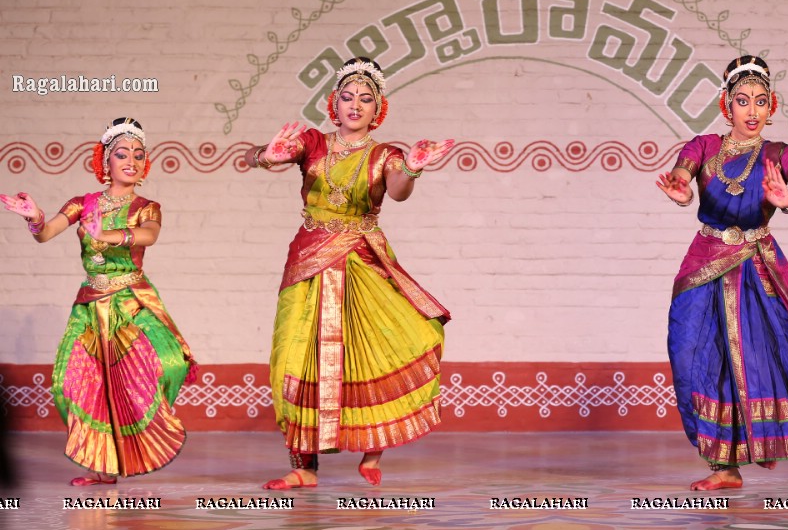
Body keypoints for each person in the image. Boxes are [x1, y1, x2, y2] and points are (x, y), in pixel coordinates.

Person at [247, 57, 454, 490]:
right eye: (347, 96)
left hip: (362, 259)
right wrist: (264, 156)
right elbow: (267, 157)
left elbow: (397, 191)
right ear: (333, 104)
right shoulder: (311, 142)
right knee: (294, 357)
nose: (355, 104)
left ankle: (372, 449)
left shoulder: (386, 155)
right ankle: (303, 467)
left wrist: (413, 168)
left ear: (378, 108)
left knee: (374, 348)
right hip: (308, 260)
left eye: (365, 98)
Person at [657, 55, 788, 491]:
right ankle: (725, 467)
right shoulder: (705, 147)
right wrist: (680, 187)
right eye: (742, 100)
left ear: (772, 106)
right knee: (693, 354)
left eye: (760, 101)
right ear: (724, 105)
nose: (751, 111)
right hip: (706, 263)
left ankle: (750, 450)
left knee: (762, 354)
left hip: (756, 264)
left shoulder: (778, 154)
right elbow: (683, 170)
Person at [1, 117, 196, 486]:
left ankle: (138, 444)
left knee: (165, 364)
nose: (131, 161)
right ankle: (101, 464)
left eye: (139, 155)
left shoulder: (147, 206)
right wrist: (36, 218)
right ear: (104, 162)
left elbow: (148, 236)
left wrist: (105, 233)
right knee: (72, 383)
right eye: (121, 154)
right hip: (90, 304)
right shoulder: (83, 203)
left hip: (131, 300)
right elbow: (46, 234)